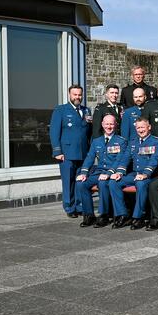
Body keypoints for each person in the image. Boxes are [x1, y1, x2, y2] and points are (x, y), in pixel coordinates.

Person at [109, 116, 158, 230]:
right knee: (113, 182)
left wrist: (145, 174)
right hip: (135, 174)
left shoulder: (156, 142)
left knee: (141, 184)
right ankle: (123, 215)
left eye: (142, 127)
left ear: (149, 127)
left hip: (150, 176)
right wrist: (119, 172)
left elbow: (155, 160)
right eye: (138, 128)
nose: (140, 130)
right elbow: (125, 158)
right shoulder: (133, 142)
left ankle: (138, 217)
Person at [75, 115, 128, 228]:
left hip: (112, 172)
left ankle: (103, 215)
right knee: (81, 184)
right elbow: (90, 158)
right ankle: (88, 215)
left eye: (111, 124)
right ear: (103, 125)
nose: (109, 127)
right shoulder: (96, 141)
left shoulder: (121, 141)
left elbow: (119, 160)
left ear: (115, 125)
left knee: (103, 183)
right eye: (107, 124)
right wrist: (83, 173)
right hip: (98, 172)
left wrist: (109, 173)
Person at [49, 84, 92, 217]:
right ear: (69, 95)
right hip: (66, 153)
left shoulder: (86, 111)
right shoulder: (61, 110)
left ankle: (79, 206)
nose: (77, 97)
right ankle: (69, 207)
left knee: (81, 180)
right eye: (75, 94)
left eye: (79, 94)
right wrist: (57, 152)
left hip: (83, 153)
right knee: (68, 182)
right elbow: (54, 132)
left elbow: (88, 132)